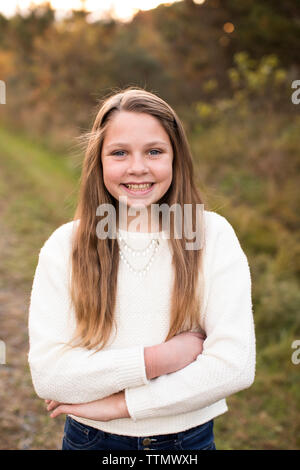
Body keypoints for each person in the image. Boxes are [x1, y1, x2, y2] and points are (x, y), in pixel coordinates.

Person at [28, 87, 256, 451]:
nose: (138, 167)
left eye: (154, 151)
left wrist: (120, 405)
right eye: (119, 153)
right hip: (90, 441)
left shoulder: (212, 235)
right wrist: (159, 358)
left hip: (187, 442)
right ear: (99, 161)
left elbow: (233, 365)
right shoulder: (65, 246)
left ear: (175, 158)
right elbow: (51, 375)